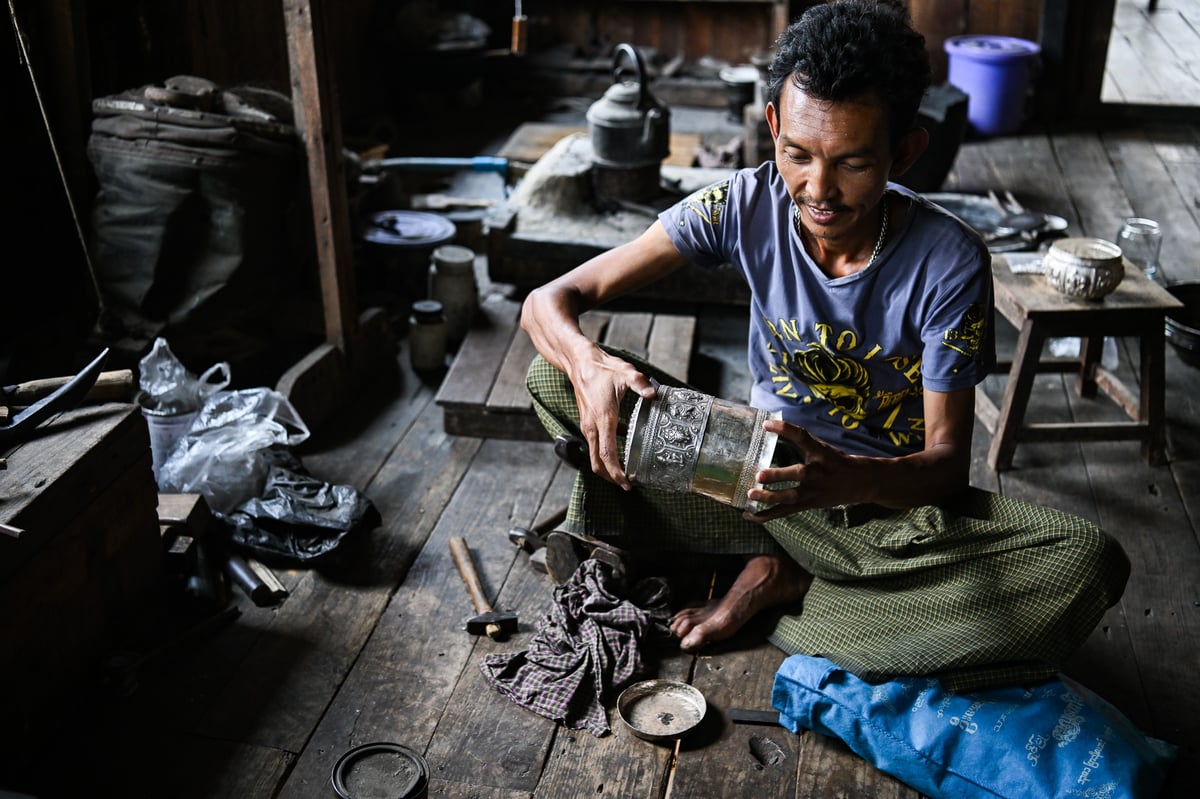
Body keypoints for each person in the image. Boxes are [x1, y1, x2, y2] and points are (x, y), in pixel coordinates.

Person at [519, 0, 1129, 691]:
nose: (818, 190)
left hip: (877, 510)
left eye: (853, 163)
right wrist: (590, 363)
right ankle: (804, 582)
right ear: (773, 126)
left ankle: (788, 586)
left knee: (1085, 559)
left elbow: (946, 466)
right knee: (553, 377)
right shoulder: (743, 205)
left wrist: (849, 477)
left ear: (904, 151)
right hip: (743, 475)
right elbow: (548, 302)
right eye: (797, 155)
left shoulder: (951, 261)